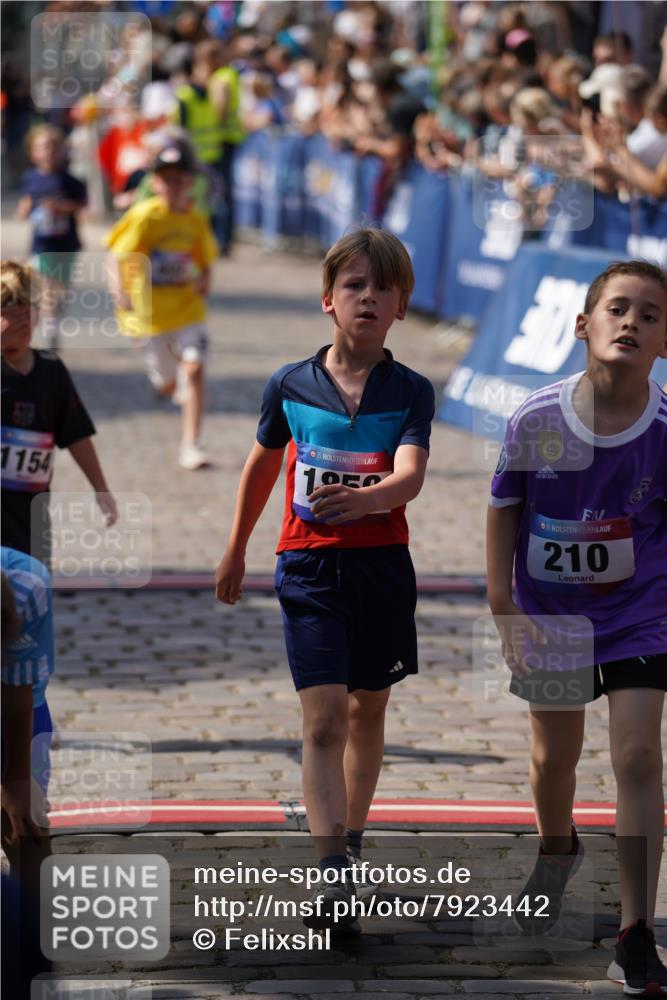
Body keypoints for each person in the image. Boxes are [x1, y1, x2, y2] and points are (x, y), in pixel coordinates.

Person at [215, 228, 434, 928]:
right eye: (354, 285)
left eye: (383, 287)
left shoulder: (410, 391)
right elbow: (261, 466)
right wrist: (235, 547)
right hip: (306, 566)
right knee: (325, 719)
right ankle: (331, 866)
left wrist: (369, 501)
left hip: (379, 568)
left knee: (370, 708)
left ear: (401, 306)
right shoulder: (289, 383)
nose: (368, 297)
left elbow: (410, 474)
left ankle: (354, 834)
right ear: (327, 300)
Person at [487, 260, 667, 995]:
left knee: (637, 759)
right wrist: (502, 602)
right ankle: (555, 848)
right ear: (581, 325)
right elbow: (504, 507)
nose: (630, 322)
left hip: (638, 614)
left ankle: (634, 932)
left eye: (649, 314)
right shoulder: (536, 418)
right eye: (617, 309)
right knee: (552, 758)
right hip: (550, 612)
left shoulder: (663, 428)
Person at [106, 139, 218, 470]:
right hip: (149, 315)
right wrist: (119, 292)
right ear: (155, 183)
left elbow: (205, 256)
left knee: (195, 369)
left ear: (190, 183)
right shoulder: (144, 217)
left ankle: (191, 446)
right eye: (166, 179)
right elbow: (115, 256)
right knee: (167, 383)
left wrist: (205, 277)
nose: (172, 186)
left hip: (187, 310)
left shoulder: (195, 219)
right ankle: (173, 383)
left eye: (179, 179)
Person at [1, 261, 117, 563]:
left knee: (31, 599)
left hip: (30, 527)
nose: (16, 326)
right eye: (6, 314)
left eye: (24, 315)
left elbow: (76, 434)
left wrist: (100, 488)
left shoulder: (51, 372)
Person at [17, 124, 87, 350]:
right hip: (41, 244)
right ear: (33, 153)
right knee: (43, 283)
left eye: (54, 148)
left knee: (61, 289)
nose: (49, 153)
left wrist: (61, 208)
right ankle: (49, 328)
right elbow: (25, 204)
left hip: (66, 243)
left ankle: (52, 319)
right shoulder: (30, 178)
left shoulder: (70, 180)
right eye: (43, 148)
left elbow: (82, 205)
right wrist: (25, 210)